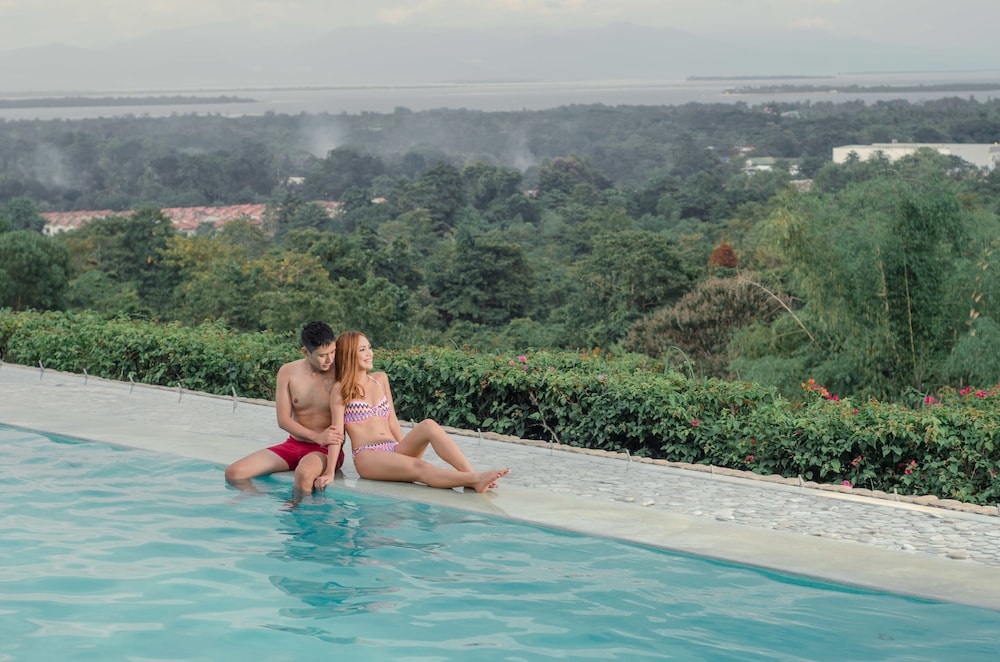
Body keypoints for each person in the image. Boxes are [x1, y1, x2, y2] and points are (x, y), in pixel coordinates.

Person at [316, 330, 509, 493]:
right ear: (349, 355)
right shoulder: (341, 389)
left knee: (429, 425)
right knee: (421, 467)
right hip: (368, 456)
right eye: (362, 350)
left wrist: (403, 450)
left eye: (369, 348)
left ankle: (470, 475)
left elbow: (392, 420)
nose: (370, 353)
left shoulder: (380, 379)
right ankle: (474, 479)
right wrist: (330, 472)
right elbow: (337, 434)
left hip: (394, 448)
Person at [225, 321, 346, 497]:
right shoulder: (288, 372)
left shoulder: (340, 374)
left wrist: (322, 441)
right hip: (293, 445)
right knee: (234, 473)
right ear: (305, 351)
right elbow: (283, 420)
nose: (330, 360)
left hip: (324, 450)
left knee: (304, 474)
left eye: (333, 352)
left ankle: (300, 511)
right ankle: (264, 500)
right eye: (322, 355)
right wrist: (315, 436)